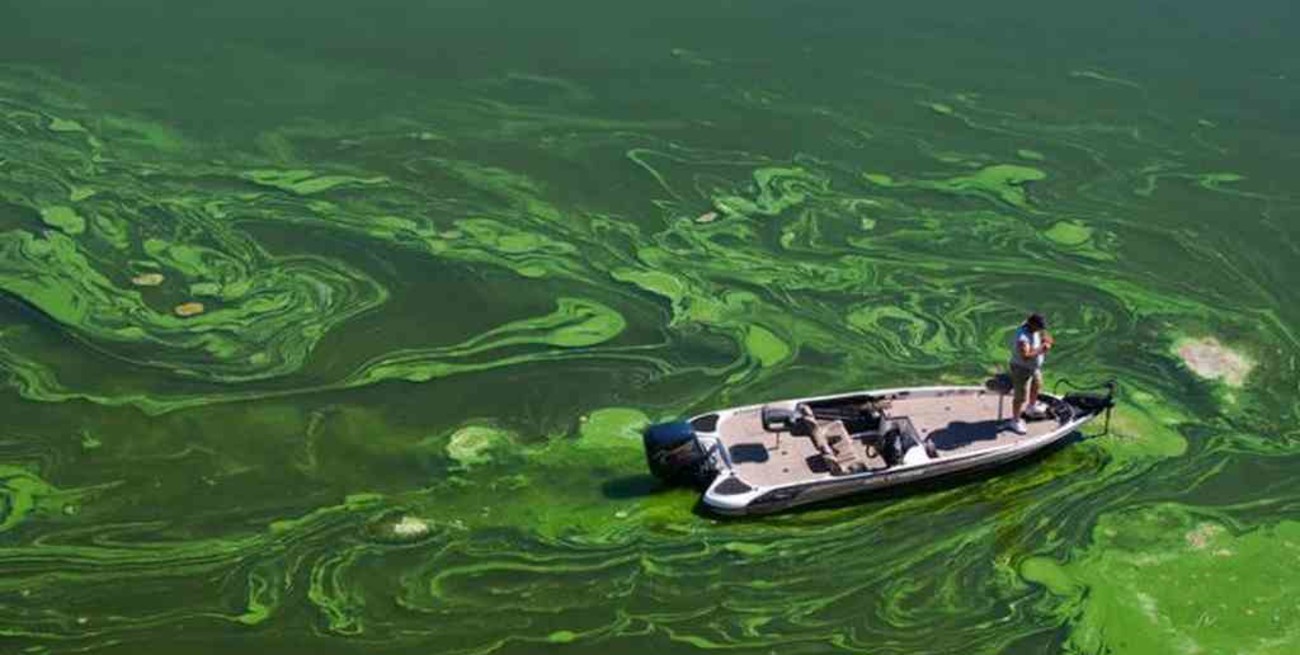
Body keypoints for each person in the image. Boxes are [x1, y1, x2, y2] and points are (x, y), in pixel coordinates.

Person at [1005, 313, 1053, 434]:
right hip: (1021, 368)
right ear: (1032, 325)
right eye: (1039, 327)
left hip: (1033, 367)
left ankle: (1031, 407)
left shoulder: (1031, 326)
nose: (1040, 329)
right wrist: (1042, 349)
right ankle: (1015, 421)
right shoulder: (1023, 338)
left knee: (1037, 384)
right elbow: (1025, 356)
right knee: (1020, 396)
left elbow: (1043, 333)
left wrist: (1045, 337)